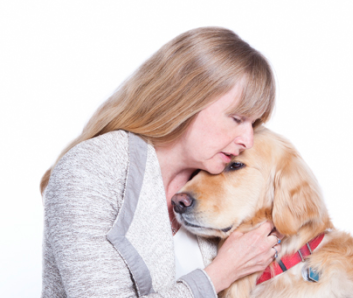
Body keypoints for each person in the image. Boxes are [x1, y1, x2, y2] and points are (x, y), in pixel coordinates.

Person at [40, 27, 281, 298]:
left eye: (254, 123)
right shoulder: (90, 171)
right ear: (187, 100)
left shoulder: (221, 182)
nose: (248, 140)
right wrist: (218, 275)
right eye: (237, 119)